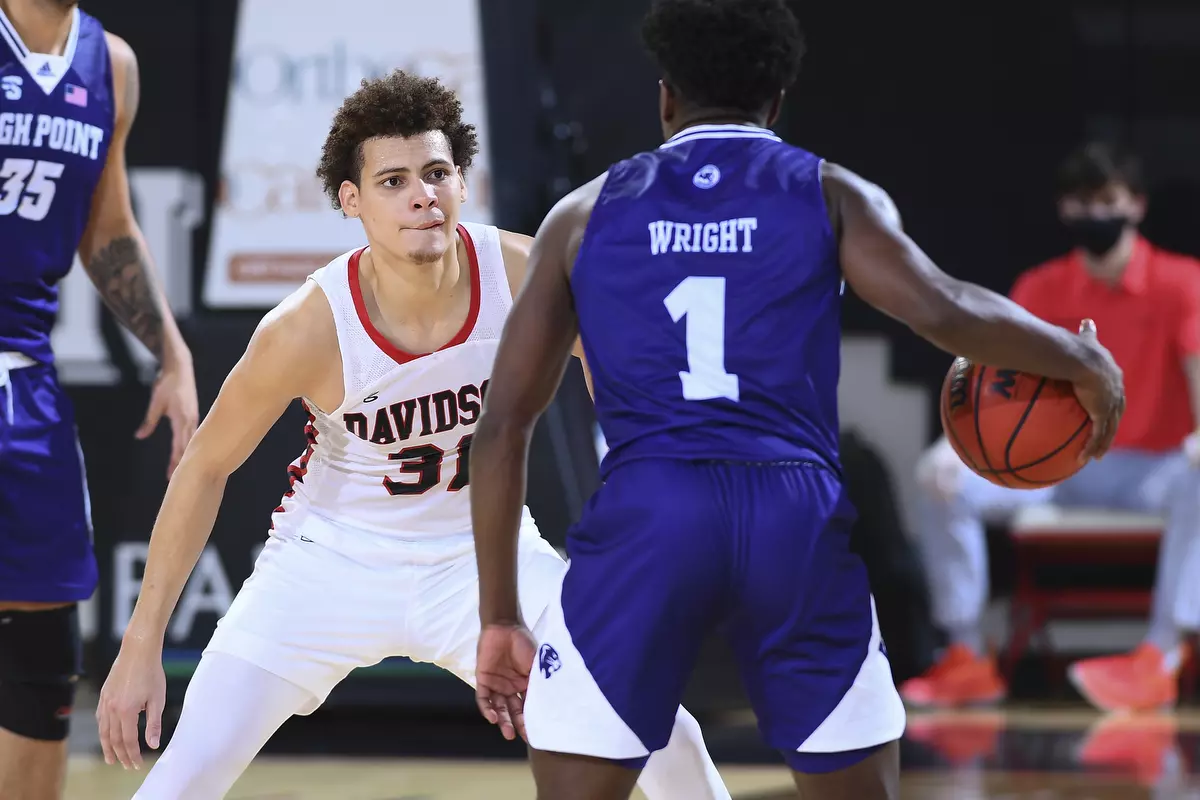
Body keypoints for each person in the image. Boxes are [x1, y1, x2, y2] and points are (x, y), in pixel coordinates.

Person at [467, 1, 1126, 798]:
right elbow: (944, 309)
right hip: (794, 513)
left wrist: (500, 613)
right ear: (777, 101)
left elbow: (502, 428)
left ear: (666, 95)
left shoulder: (582, 216)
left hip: (649, 509)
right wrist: (1080, 358)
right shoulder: (828, 192)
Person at [95, 71, 729, 800]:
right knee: (185, 776)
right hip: (332, 561)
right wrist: (141, 643)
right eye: (393, 181)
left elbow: (620, 371)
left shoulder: (524, 274)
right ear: (352, 201)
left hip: (483, 558)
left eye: (436, 173)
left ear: (463, 182)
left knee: (661, 726)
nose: (421, 195)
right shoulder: (307, 326)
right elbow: (205, 467)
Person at [902, 142, 1200, 713]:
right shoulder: (1041, 288)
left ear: (1135, 205)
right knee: (938, 481)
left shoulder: (1180, 281)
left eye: (1107, 201)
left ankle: (1160, 659)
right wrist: (947, 447)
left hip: (1154, 466)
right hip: (1061, 463)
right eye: (1082, 204)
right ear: (1065, 211)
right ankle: (964, 653)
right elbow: (989, 378)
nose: (1095, 216)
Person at [0, 1, 197, 797]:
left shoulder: (109, 64)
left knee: (41, 654)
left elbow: (107, 227)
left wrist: (173, 354)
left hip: (26, 381)